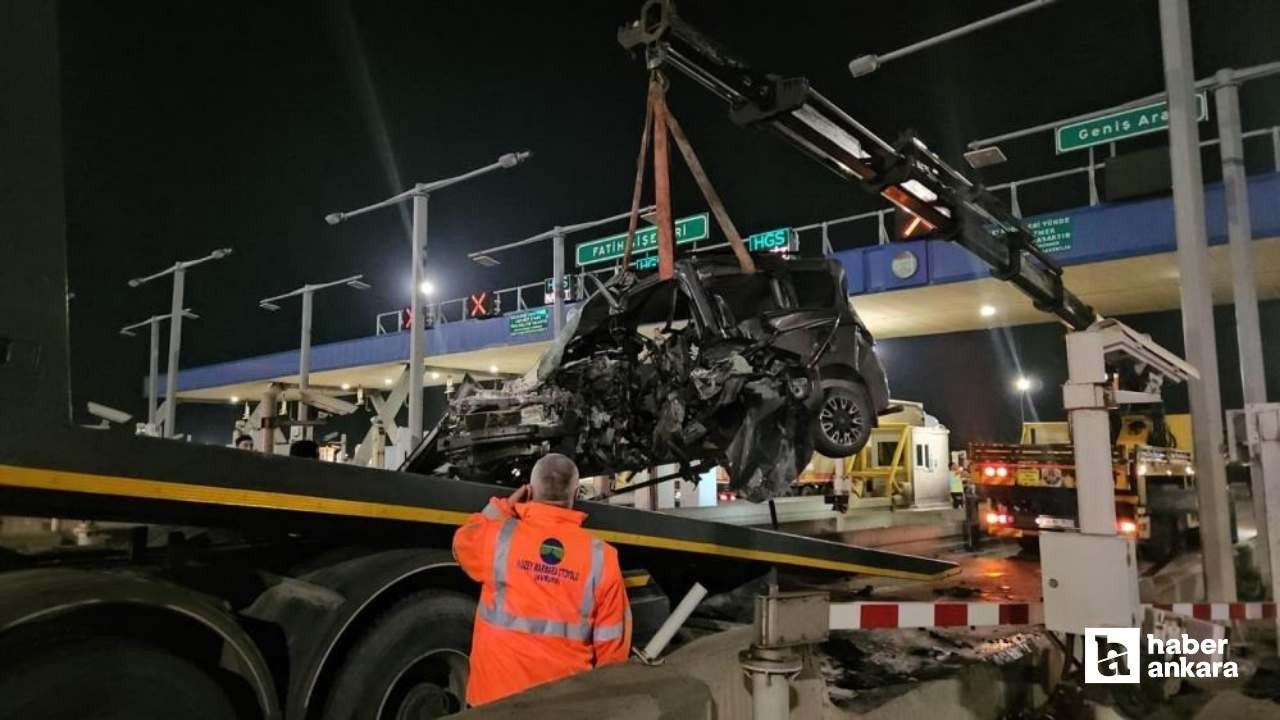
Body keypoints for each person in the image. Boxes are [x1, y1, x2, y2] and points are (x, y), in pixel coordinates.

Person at [452, 453, 631, 706]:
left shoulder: (499, 537)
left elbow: (463, 540)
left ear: (530, 490)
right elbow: (612, 652)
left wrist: (503, 507)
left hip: (493, 703)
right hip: (562, 705)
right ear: (577, 493)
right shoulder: (602, 558)